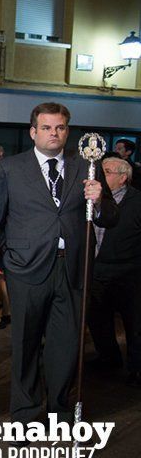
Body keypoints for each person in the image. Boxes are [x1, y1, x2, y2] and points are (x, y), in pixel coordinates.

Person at [0, 102, 118, 430]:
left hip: (73, 268)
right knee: (25, 344)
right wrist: (9, 256)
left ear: (67, 131)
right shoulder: (10, 168)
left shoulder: (87, 166)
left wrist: (100, 199)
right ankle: (25, 416)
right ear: (33, 131)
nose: (53, 133)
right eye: (46, 128)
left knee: (67, 346)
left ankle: (60, 413)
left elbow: (111, 218)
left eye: (59, 127)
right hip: (26, 269)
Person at [87, 157, 141, 387]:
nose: (102, 176)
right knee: (98, 320)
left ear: (123, 177)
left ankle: (137, 368)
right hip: (96, 270)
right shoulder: (92, 199)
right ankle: (108, 357)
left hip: (129, 273)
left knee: (135, 324)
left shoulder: (137, 201)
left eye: (107, 172)